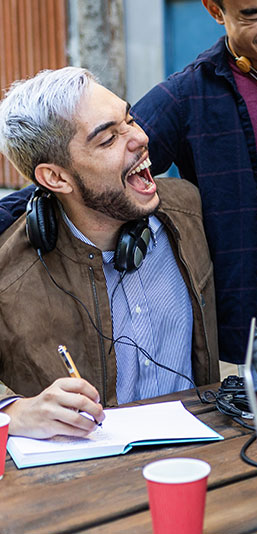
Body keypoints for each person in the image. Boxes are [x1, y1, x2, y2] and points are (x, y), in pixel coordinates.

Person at [0, 0, 257, 391]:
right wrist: (34, 208)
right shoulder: (189, 95)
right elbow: (98, 177)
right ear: (215, 11)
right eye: (253, 14)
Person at [0, 67, 219, 439]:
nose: (140, 138)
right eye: (107, 139)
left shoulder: (188, 210)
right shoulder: (9, 274)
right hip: (88, 486)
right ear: (56, 178)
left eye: (130, 120)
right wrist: (14, 412)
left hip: (202, 460)